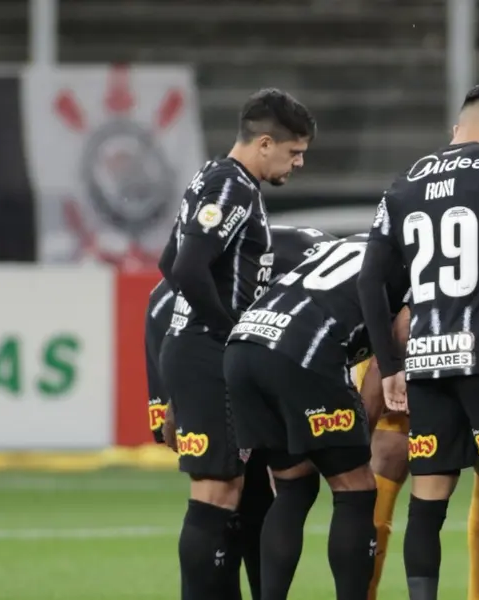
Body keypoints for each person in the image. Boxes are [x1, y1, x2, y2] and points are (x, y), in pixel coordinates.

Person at [357, 83, 479, 600]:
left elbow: (369, 282)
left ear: (456, 128)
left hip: (425, 362)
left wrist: (391, 365)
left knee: (428, 497)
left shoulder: (403, 184)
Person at [157, 88, 314, 600]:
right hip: (208, 352)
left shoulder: (214, 177)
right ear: (264, 143)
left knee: (236, 489)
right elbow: (186, 269)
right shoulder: (231, 185)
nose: (299, 162)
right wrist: (231, 333)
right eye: (293, 152)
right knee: (216, 491)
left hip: (196, 348)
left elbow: (168, 262)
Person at [146, 224, 347, 599]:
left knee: (254, 484)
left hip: (208, 320)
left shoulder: (332, 267)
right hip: (198, 322)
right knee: (225, 486)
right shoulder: (341, 287)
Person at [224, 231, 405, 600]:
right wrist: (356, 439)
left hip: (244, 345)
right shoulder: (417, 261)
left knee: (293, 486)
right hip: (302, 351)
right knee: (356, 489)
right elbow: (388, 353)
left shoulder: (351, 243)